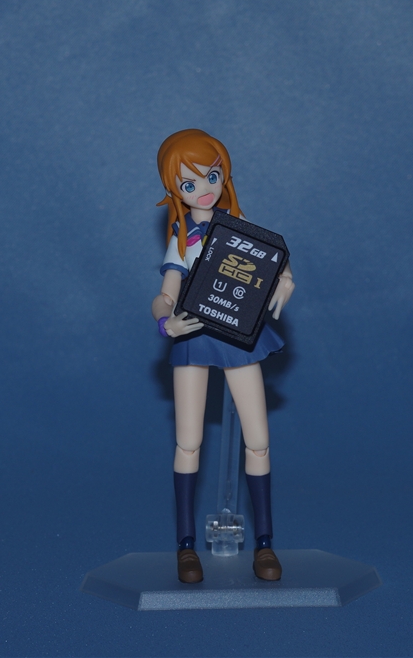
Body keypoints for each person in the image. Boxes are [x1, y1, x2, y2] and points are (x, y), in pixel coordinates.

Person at [151, 129, 295, 583]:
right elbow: (164, 295)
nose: (204, 188)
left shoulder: (236, 223)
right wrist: (166, 322)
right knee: (188, 442)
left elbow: (271, 258)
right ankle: (186, 545)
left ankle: (265, 542)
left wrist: (285, 278)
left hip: (238, 331)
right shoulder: (182, 236)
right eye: (189, 183)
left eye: (211, 176)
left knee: (258, 440)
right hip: (195, 333)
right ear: (174, 188)